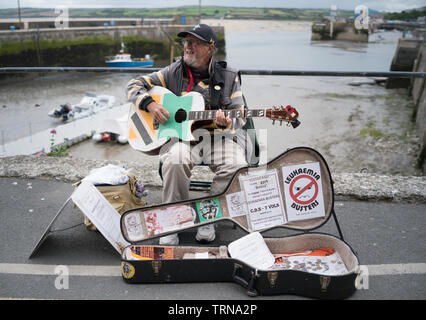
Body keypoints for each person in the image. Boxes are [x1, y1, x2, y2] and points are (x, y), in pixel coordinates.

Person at [126, 24, 253, 245]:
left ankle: (208, 216)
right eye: (186, 41)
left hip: (218, 137)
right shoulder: (172, 72)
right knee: (175, 160)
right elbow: (133, 84)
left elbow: (240, 114)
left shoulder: (229, 74)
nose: (188, 46)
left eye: (194, 42)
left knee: (237, 165)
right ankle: (174, 219)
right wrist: (150, 105)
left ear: (210, 47)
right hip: (181, 137)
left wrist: (228, 120)